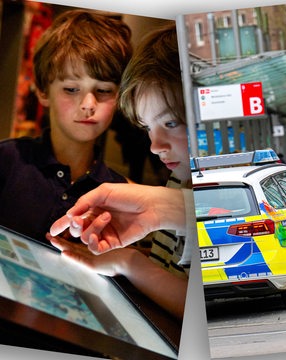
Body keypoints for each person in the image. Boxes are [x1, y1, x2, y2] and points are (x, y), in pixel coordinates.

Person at [48, 25, 190, 319]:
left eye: (172, 123)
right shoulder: (178, 179)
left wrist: (129, 261)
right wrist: (128, 260)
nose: (155, 145)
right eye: (148, 127)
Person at [0, 10, 132, 243]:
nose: (89, 105)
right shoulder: (7, 159)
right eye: (71, 89)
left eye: (103, 90)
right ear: (43, 90)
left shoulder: (119, 192)